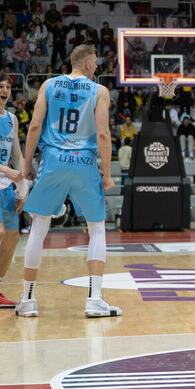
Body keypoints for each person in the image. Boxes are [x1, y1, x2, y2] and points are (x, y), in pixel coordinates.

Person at [19, 45, 120, 318]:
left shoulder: (49, 85)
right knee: (97, 228)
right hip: (84, 162)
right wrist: (107, 173)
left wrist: (27, 165)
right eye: (96, 62)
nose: (97, 67)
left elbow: (36, 127)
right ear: (88, 64)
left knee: (39, 227)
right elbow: (102, 134)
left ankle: (27, 301)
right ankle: (94, 299)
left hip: (52, 160)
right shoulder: (99, 91)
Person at [0, 74, 26, 308]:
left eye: (8, 87)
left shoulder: (12, 119)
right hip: (3, 176)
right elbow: (10, 166)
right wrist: (8, 171)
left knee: (12, 235)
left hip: (5, 186)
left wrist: (23, 188)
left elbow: (17, 155)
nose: (5, 90)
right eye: (1, 86)